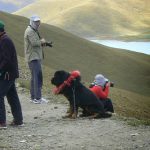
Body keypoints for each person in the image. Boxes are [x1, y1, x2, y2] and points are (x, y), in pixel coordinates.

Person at [0, 20, 23, 129]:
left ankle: (1, 122)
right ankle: (18, 120)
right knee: (12, 96)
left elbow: (6, 60)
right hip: (10, 73)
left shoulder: (5, 41)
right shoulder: (4, 39)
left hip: (7, 74)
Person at [24, 15, 49, 104]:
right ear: (31, 22)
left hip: (35, 57)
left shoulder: (33, 30)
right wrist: (42, 41)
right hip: (33, 57)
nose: (37, 23)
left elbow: (35, 43)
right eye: (36, 22)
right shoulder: (30, 31)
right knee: (37, 78)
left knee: (34, 78)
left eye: (38, 22)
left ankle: (34, 97)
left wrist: (44, 43)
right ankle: (37, 98)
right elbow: (34, 43)